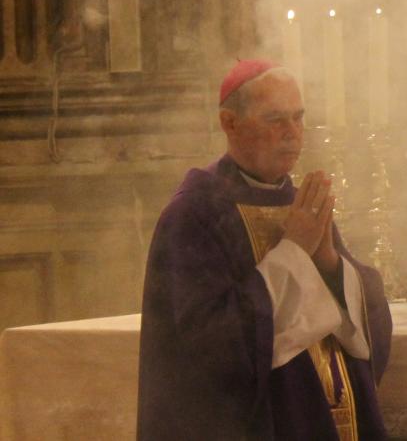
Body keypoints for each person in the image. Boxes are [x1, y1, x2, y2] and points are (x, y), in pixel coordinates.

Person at [137, 60, 392, 441]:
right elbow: (209, 346)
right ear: (229, 123)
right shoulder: (195, 213)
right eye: (275, 120)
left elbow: (368, 321)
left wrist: (327, 262)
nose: (292, 134)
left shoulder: (299, 202)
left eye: (298, 117)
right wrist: (293, 252)